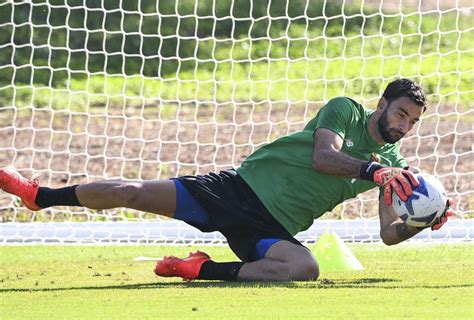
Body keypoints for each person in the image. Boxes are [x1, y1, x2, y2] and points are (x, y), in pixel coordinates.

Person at [0, 78, 453, 282]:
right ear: (381, 104)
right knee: (130, 192)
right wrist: (374, 169)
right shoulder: (346, 111)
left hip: (269, 230)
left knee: (304, 268)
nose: (404, 126)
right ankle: (39, 195)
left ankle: (199, 268)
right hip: (234, 190)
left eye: (412, 122)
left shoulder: (393, 165)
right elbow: (323, 157)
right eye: (400, 114)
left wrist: (419, 221)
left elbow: (387, 235)